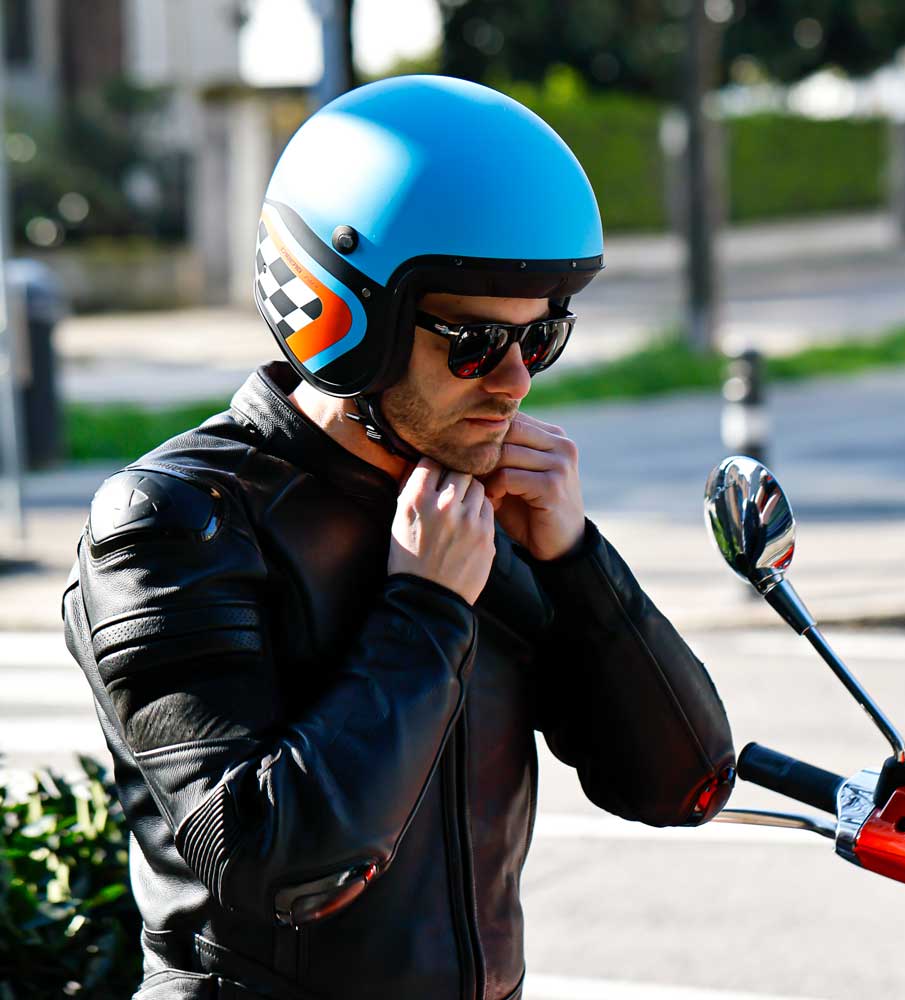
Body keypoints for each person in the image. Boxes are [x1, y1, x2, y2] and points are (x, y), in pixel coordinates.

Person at [63, 76, 735, 1000]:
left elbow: (681, 785)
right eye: (473, 342)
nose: (515, 382)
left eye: (541, 339)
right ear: (345, 318)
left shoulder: (480, 508)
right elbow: (276, 863)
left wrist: (577, 562)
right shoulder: (176, 523)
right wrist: (423, 606)